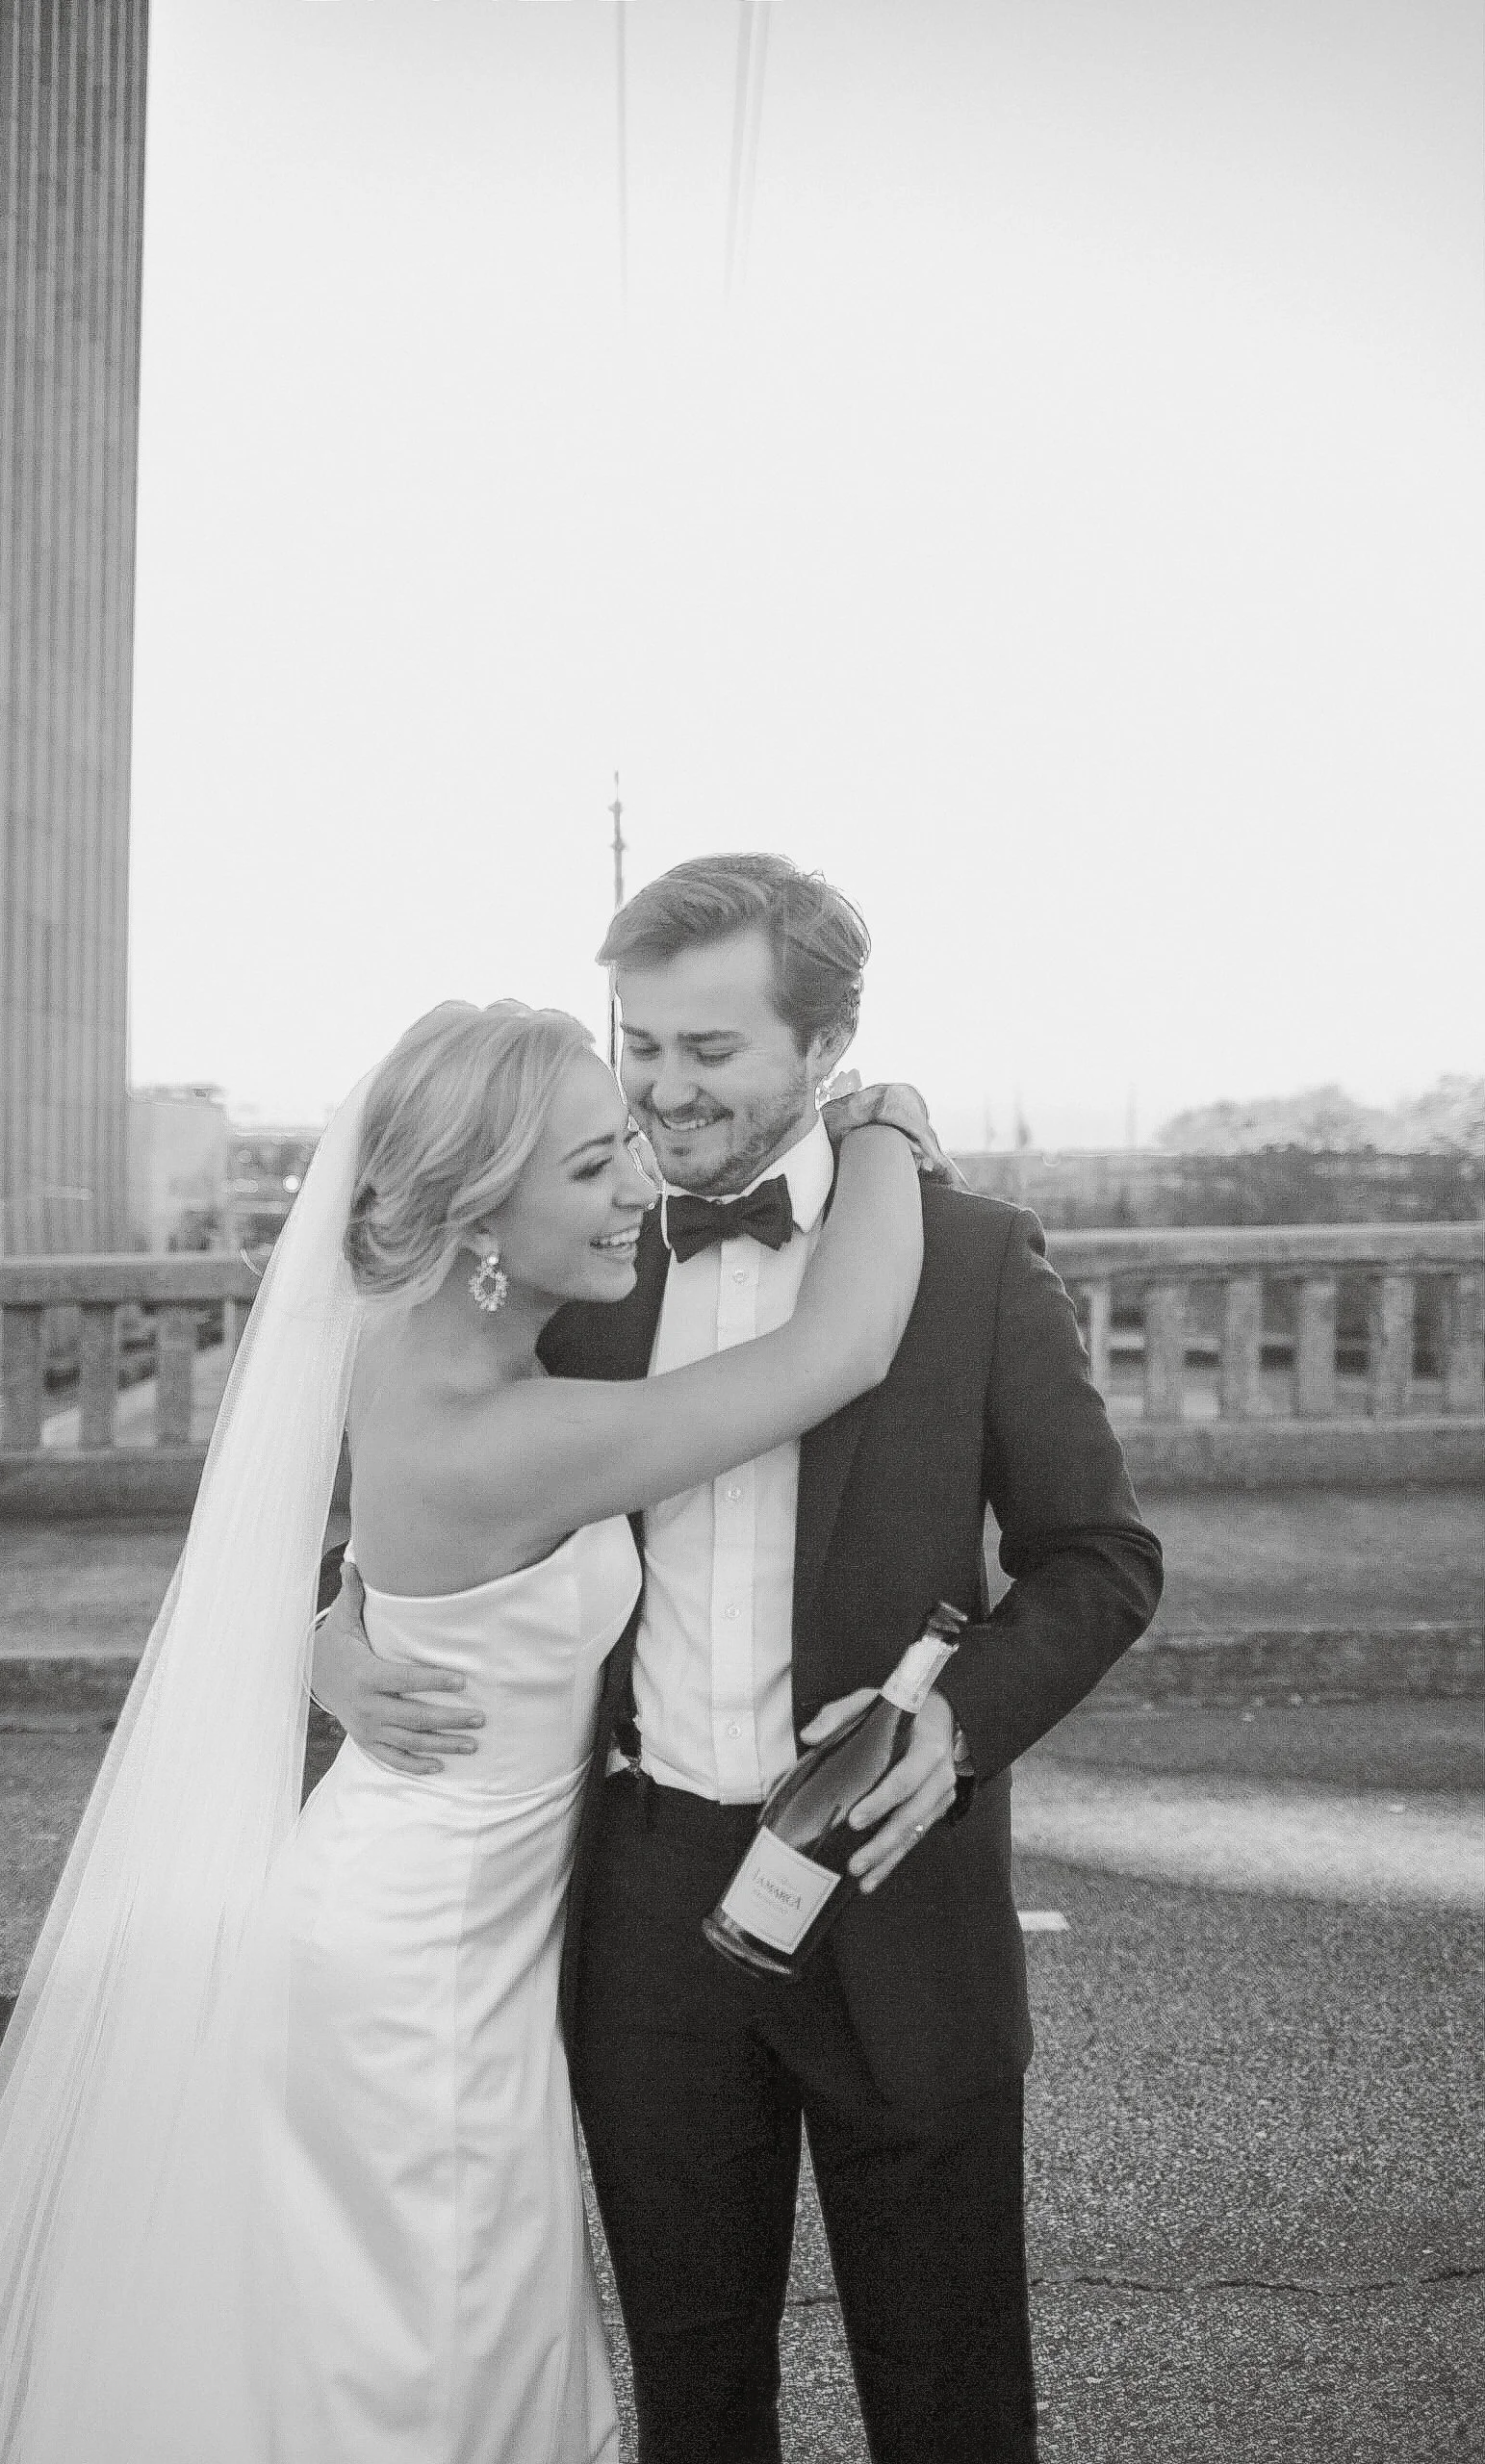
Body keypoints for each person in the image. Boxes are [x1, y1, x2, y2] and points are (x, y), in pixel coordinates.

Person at [0, 997, 927, 2464]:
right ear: (478, 1224)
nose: (638, 1187)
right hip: (421, 1982)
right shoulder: (516, 1437)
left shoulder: (399, 1352)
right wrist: (881, 1136)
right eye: (590, 1169)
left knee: (373, 2350)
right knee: (420, 2366)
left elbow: (286, 1529)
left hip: (415, 1918)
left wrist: (330, 1630)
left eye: (627, 1147)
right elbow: (841, 1349)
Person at [317, 854, 1166, 2464]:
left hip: (896, 1898)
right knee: (692, 2390)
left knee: (951, 2386)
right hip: (641, 1908)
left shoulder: (969, 1261)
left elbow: (1101, 1559)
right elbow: (370, 1480)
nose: (660, 1093)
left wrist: (961, 1726)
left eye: (708, 1053)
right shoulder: (568, 1249)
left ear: (823, 1045)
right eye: (639, 1045)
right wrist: (322, 1640)